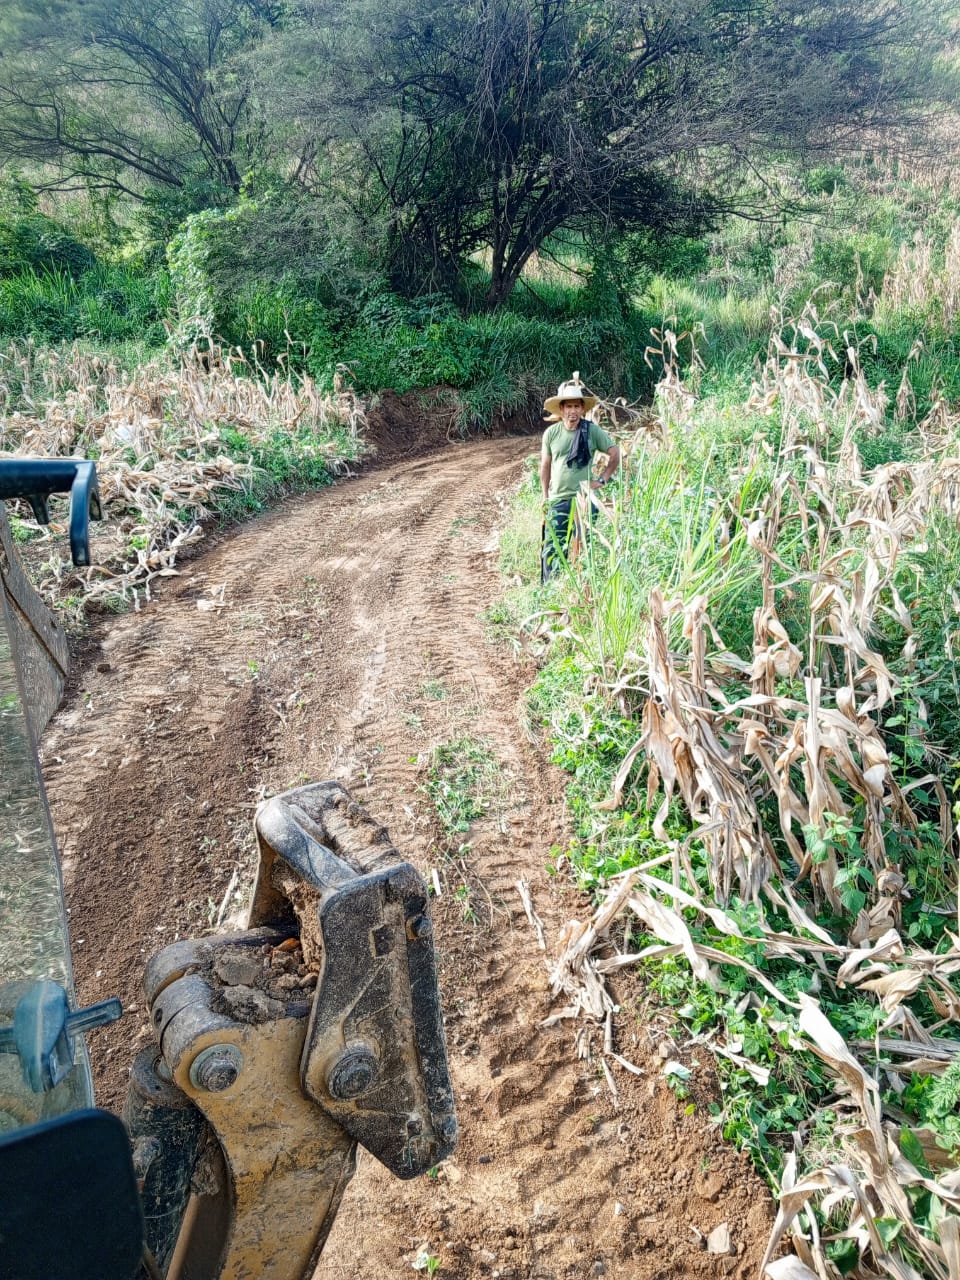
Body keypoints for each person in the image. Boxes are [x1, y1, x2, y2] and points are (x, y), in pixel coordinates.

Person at [539, 379, 620, 581]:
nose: (572, 411)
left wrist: (602, 480)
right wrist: (545, 496)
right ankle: (551, 589)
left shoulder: (591, 431)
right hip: (558, 499)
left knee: (584, 548)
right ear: (561, 409)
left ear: (582, 409)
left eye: (576, 406)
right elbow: (545, 467)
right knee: (553, 549)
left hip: (584, 500)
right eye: (569, 406)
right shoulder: (551, 434)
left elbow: (615, 452)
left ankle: (582, 587)